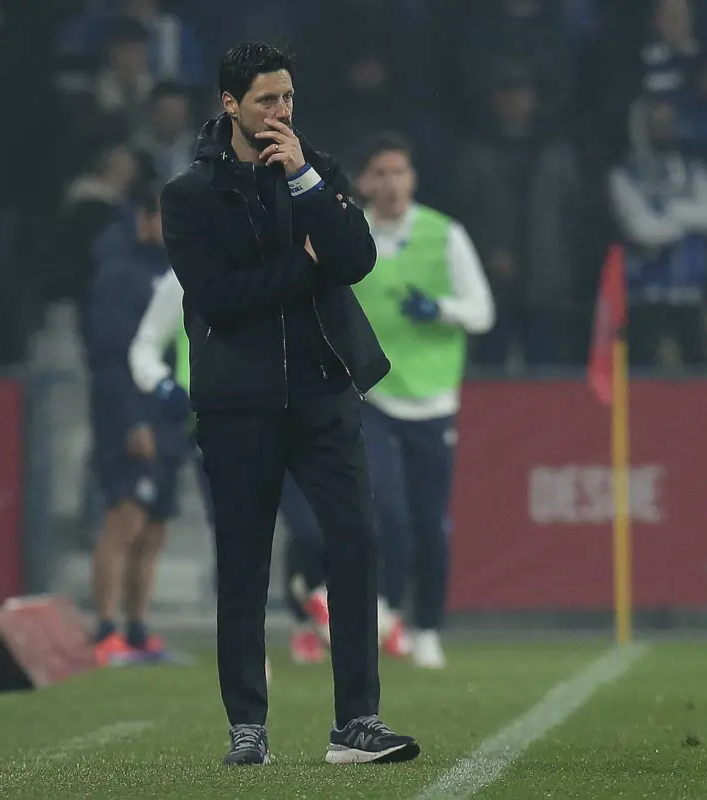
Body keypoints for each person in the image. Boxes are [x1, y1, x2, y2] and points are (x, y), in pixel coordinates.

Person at [159, 41, 418, 766]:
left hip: (323, 391)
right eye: (266, 99)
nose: (281, 112)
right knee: (244, 565)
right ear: (230, 104)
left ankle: (357, 722)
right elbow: (221, 300)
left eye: (289, 98)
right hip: (237, 404)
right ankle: (248, 726)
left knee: (355, 544)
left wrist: (304, 179)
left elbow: (356, 260)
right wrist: (304, 266)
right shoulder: (188, 196)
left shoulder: (316, 171)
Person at [129, 268, 335, 666]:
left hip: (285, 421)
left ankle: (309, 594)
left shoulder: (282, 266)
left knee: (314, 528)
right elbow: (144, 347)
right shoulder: (185, 276)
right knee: (239, 544)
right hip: (216, 425)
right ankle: (248, 650)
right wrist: (162, 384)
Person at [353, 132, 495, 669]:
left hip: (433, 400)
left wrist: (440, 309)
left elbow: (482, 311)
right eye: (381, 173)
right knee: (386, 511)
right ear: (365, 181)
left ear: (413, 179)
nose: (391, 184)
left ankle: (428, 626)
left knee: (431, 525)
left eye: (399, 172)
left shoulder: (445, 234)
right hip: (372, 394)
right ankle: (384, 607)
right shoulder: (349, 233)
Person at [83, 188, 187, 666]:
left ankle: (138, 630)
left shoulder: (175, 269)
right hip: (130, 417)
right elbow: (110, 356)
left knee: (156, 527)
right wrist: (132, 420)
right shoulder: (118, 273)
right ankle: (105, 630)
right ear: (145, 218)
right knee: (126, 519)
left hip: (170, 416)